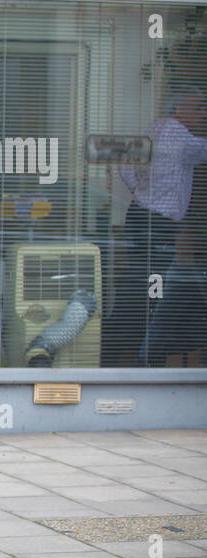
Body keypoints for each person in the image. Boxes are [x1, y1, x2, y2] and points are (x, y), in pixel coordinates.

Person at [119, 88, 207, 364]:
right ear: (179, 110)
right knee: (157, 290)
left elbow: (125, 165)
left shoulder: (154, 129)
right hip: (158, 221)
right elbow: (201, 151)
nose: (203, 113)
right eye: (198, 108)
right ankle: (147, 360)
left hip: (142, 214)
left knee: (146, 284)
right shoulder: (179, 135)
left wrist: (141, 192)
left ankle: (135, 351)